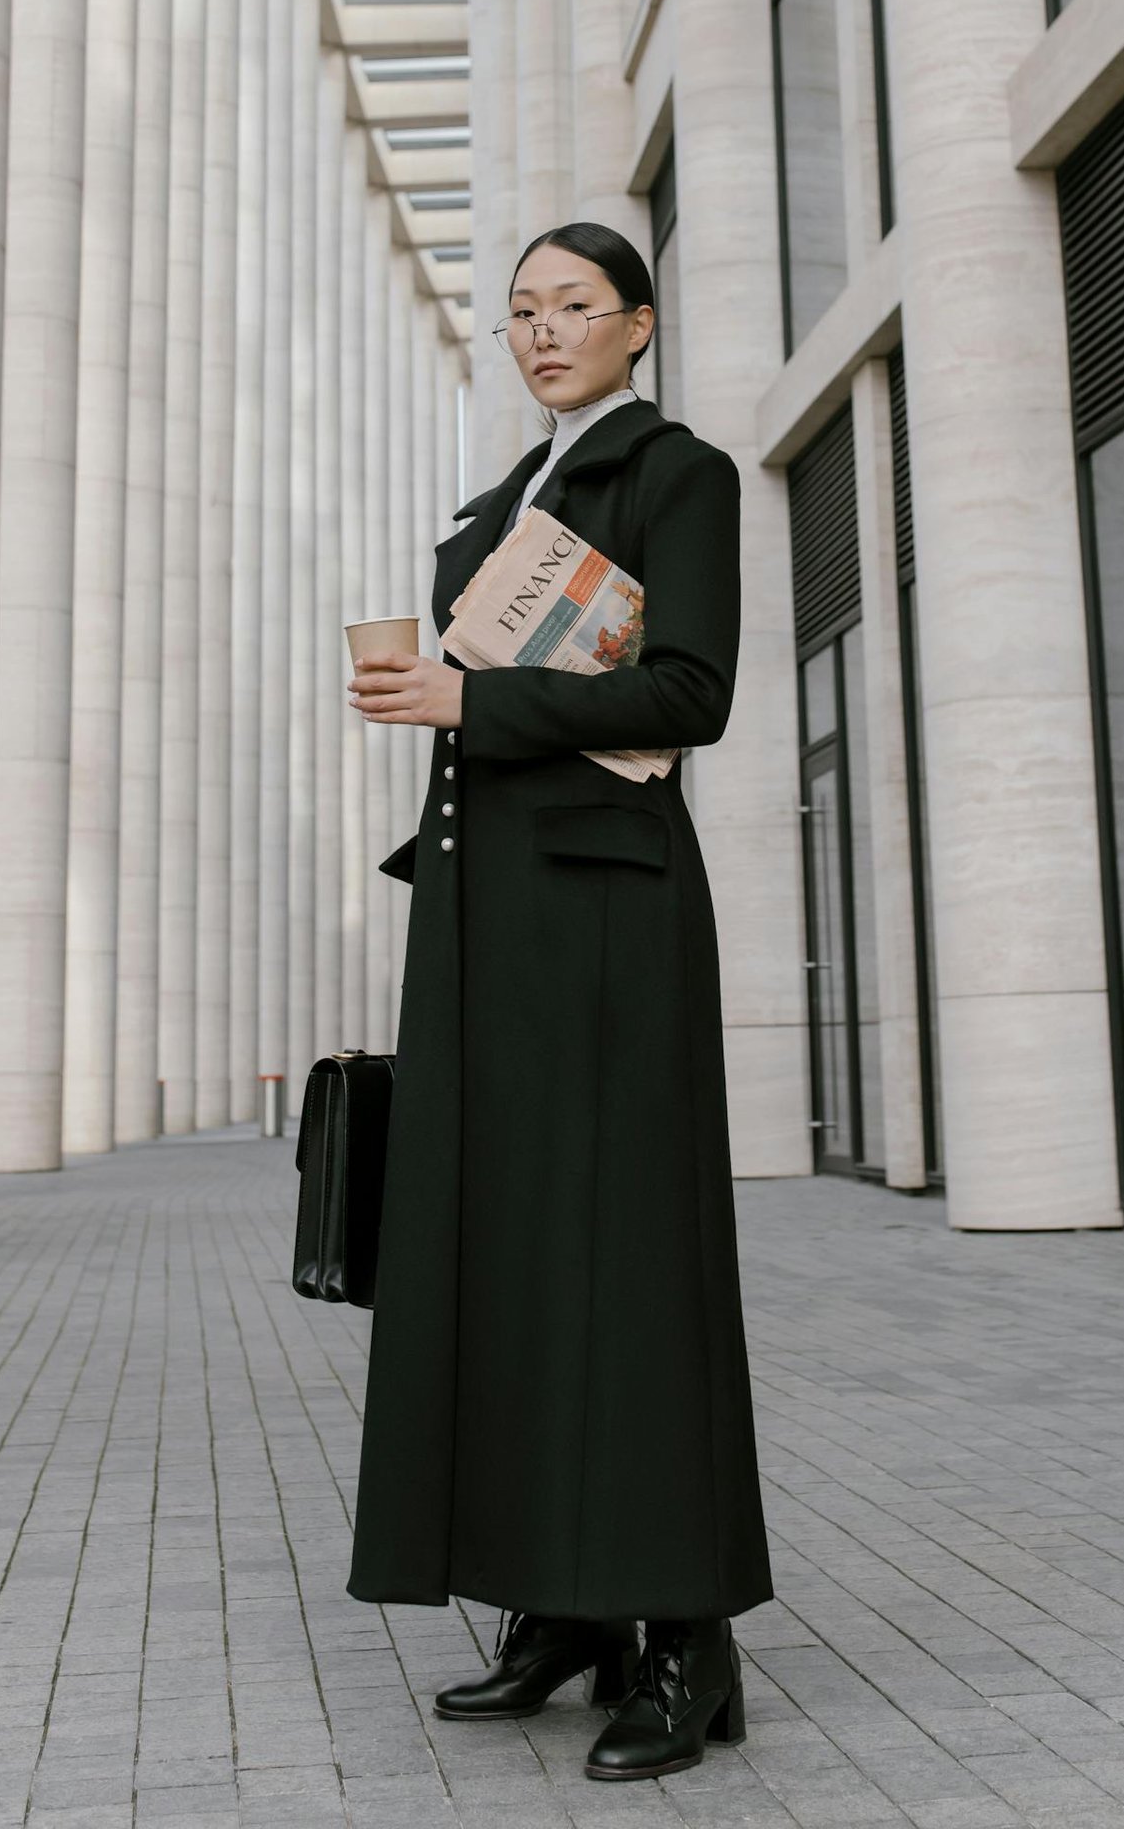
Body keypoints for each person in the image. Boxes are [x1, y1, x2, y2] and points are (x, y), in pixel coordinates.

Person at [343, 220, 772, 1783]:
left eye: (573, 308)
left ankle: (682, 1640)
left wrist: (472, 697)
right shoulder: (486, 515)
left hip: (608, 926)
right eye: (519, 311)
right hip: (483, 928)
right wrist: (427, 702)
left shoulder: (681, 476)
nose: (541, 333)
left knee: (629, 1262)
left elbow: (691, 693)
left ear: (638, 326)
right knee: (507, 1255)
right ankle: (560, 1606)